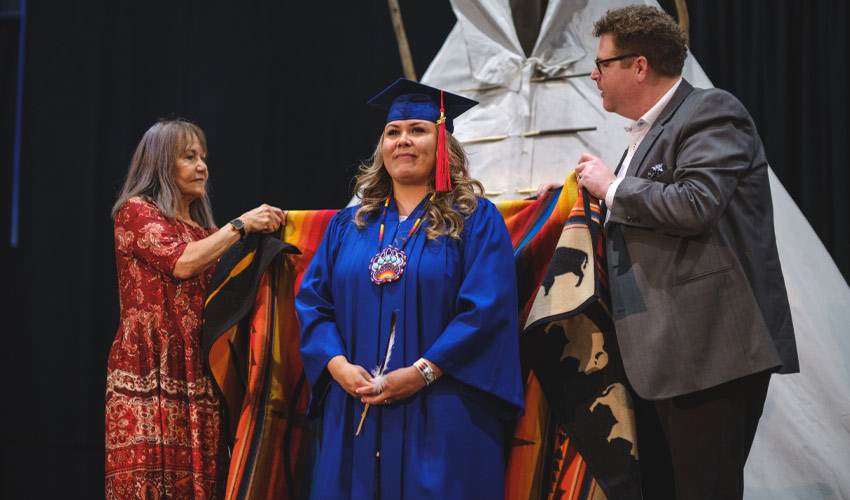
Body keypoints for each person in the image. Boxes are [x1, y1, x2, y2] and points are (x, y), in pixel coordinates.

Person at [573, 6, 799, 500]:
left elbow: (695, 205)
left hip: (708, 349)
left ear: (638, 66)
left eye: (602, 63)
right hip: (659, 355)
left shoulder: (712, 111)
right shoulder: (644, 134)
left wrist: (612, 188)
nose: (594, 74)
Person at [296, 79, 524, 499]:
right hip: (356, 408)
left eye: (418, 130)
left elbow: (486, 312)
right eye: (393, 132)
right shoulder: (350, 226)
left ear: (444, 146)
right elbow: (314, 304)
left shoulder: (474, 220)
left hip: (444, 410)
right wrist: (337, 366)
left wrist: (421, 373)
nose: (403, 141)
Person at [105, 119, 284, 499]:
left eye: (203, 157)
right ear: (160, 164)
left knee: (202, 482)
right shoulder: (136, 212)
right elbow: (182, 263)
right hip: (150, 368)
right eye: (189, 157)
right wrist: (242, 225)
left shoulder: (206, 233)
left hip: (199, 369)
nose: (202, 166)